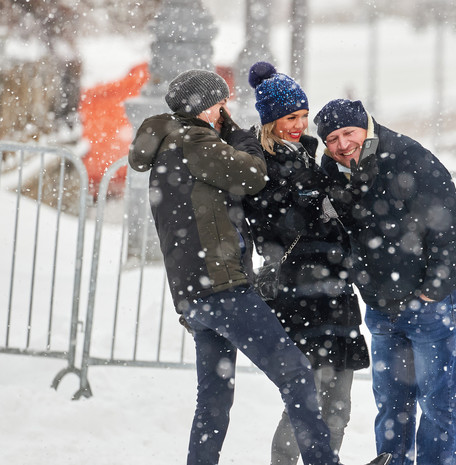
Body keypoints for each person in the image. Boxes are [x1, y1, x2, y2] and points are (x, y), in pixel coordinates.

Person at [128, 70, 389, 465]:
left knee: (214, 399)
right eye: (220, 104)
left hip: (194, 294)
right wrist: (240, 134)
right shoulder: (195, 140)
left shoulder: (169, 146)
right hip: (222, 288)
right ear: (204, 107)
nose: (224, 111)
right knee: (297, 376)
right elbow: (252, 175)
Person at [314, 99, 456, 465]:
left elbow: (452, 229)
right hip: (382, 306)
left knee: (438, 404)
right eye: (332, 139)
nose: (341, 144)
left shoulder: (408, 158)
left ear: (366, 127)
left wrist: (432, 288)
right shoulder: (332, 172)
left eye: (348, 133)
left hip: (432, 303)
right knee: (392, 406)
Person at [242, 62, 370, 465]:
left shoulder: (310, 157)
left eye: (301, 116)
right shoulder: (262, 162)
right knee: (307, 401)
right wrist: (314, 206)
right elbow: (270, 230)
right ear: (270, 121)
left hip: (335, 290)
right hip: (301, 293)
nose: (298, 125)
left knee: (339, 403)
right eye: (289, 118)